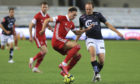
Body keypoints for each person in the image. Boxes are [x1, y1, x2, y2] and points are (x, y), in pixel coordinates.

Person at [40, 7, 93, 80]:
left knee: (77, 56)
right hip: (57, 40)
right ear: (69, 12)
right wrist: (43, 30)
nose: (74, 17)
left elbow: (76, 32)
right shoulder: (61, 17)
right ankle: (63, 64)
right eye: (73, 14)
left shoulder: (71, 24)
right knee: (77, 46)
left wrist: (87, 29)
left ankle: (65, 71)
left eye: (75, 16)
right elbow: (47, 20)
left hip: (61, 43)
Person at [76, 2, 123, 82]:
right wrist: (75, 40)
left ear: (93, 8)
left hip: (99, 40)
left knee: (101, 60)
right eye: (86, 9)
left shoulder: (98, 15)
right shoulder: (82, 18)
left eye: (89, 9)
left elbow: (108, 24)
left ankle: (95, 74)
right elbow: (80, 31)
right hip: (89, 38)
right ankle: (97, 73)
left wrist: (117, 32)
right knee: (93, 53)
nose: (88, 11)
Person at [28, 1, 53, 73]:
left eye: (46, 7)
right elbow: (30, 25)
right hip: (37, 36)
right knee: (45, 51)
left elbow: (46, 24)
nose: (44, 8)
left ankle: (35, 68)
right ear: (41, 7)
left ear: (47, 8)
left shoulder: (47, 16)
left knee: (44, 53)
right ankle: (32, 59)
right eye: (43, 7)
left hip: (43, 36)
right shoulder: (37, 15)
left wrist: (50, 28)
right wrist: (30, 36)